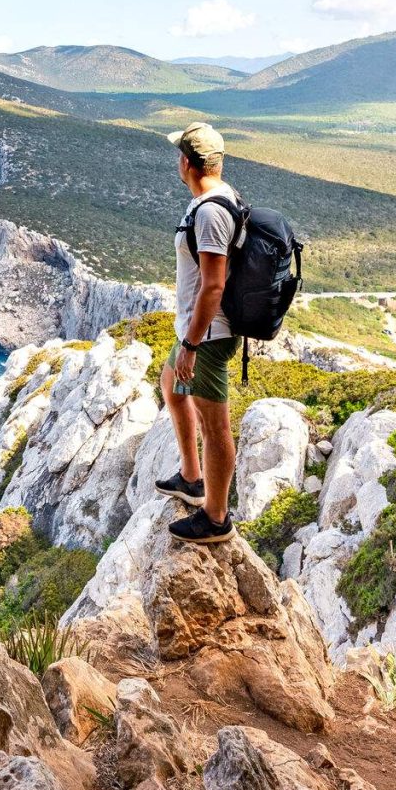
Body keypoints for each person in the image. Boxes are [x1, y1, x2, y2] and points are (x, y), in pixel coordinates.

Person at [156, 122, 242, 544]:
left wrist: (191, 343)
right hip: (194, 329)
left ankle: (215, 517)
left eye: (179, 157)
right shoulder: (217, 199)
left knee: (215, 426)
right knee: (170, 383)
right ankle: (192, 477)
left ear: (188, 163)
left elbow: (214, 285)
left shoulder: (210, 212)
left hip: (208, 335)